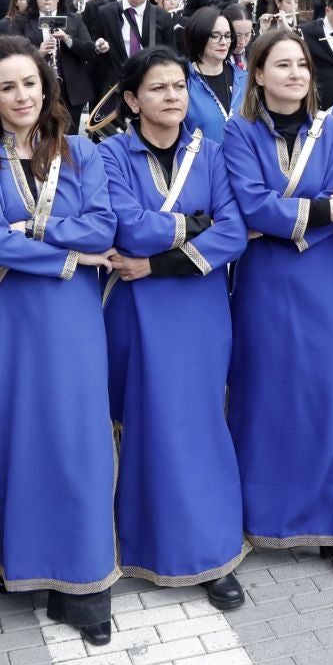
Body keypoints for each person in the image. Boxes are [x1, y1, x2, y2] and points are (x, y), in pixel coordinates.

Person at [0, 36, 121, 643]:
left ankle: (85, 586)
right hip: (10, 318)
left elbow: (104, 223)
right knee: (23, 443)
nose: (21, 96)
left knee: (80, 443)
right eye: (7, 86)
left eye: (30, 83)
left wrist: (35, 226)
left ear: (47, 87)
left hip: (75, 318)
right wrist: (69, 250)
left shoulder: (81, 150)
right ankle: (26, 570)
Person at [98, 49, 251, 609]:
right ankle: (140, 544)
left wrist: (161, 258)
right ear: (133, 100)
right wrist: (194, 224)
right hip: (134, 311)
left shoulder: (211, 152)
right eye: (158, 88)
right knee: (146, 426)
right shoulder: (110, 154)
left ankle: (211, 552)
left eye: (179, 87)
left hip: (199, 307)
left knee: (202, 423)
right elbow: (124, 227)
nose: (172, 96)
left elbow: (233, 232)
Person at [225, 29, 333, 579]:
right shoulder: (236, 133)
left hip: (320, 280)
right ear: (257, 74)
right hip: (263, 285)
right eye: (281, 64)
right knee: (262, 397)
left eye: (303, 65)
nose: (295, 74)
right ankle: (259, 517)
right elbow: (249, 206)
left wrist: (286, 217)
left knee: (323, 397)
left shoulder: (328, 128)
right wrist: (314, 213)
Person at [3, 0, 100, 120]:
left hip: (70, 90)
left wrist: (67, 39)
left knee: (68, 137)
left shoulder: (74, 19)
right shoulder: (22, 20)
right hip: (37, 87)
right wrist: (38, 53)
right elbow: (14, 52)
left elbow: (90, 52)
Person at [180, 5, 245, 142]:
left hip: (241, 161)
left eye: (228, 36)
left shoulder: (244, 79)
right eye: (215, 36)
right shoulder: (181, 81)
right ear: (198, 36)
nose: (223, 42)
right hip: (199, 161)